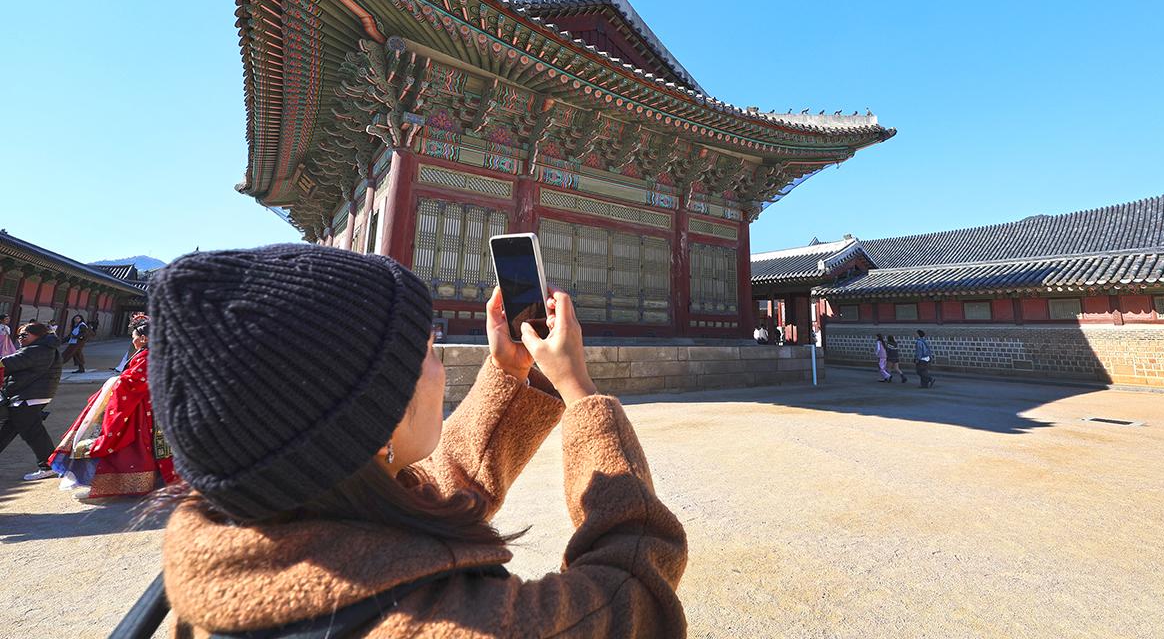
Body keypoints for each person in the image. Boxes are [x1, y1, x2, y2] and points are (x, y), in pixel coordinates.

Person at [146, 244, 687, 637]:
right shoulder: (456, 625)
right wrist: (580, 393)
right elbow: (632, 589)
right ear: (375, 412)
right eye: (428, 350)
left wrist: (513, 376)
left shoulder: (262, 531)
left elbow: (435, 487)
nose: (439, 368)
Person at [48, 315, 176, 500]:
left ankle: (133, 483)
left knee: (129, 445)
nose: (132, 339)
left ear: (144, 338)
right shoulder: (155, 353)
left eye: (133, 335)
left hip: (141, 409)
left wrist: (115, 381)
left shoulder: (148, 355)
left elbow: (136, 381)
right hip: (149, 406)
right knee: (150, 449)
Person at [0, 322, 63, 480]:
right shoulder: (45, 348)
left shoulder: (37, 350)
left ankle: (48, 465)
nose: (20, 338)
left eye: (24, 335)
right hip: (30, 396)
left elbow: (8, 364)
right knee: (8, 431)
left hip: (27, 398)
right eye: (19, 335)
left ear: (38, 335)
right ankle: (49, 465)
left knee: (33, 433)